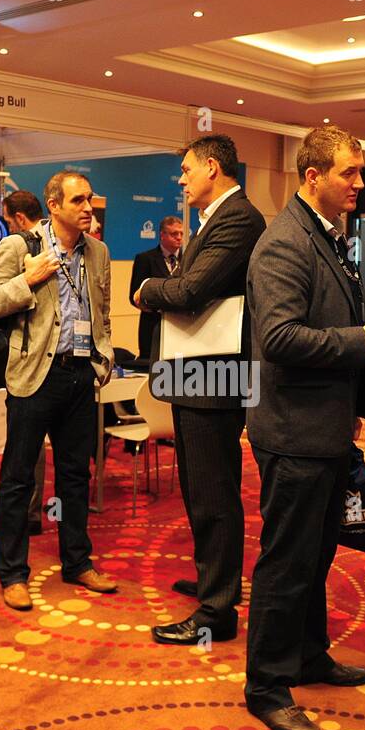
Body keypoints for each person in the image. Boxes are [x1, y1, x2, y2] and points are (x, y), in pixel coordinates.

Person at [244, 125, 365, 730]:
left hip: (324, 425)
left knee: (316, 555)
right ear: (312, 177)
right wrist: (360, 340)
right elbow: (281, 340)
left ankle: (308, 655)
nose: (360, 184)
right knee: (287, 562)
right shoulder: (284, 242)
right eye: (350, 173)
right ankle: (265, 685)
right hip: (291, 432)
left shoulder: (326, 236)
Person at [131, 134, 266, 645]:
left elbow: (189, 291)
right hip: (196, 374)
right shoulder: (215, 220)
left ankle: (217, 611)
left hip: (214, 377)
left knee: (213, 494)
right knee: (198, 488)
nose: (181, 178)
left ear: (213, 167)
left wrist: (145, 290)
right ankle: (215, 582)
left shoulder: (239, 218)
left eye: (187, 169)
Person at [0, 170, 117, 612]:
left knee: (76, 476)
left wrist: (102, 357)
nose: (88, 208)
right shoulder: (20, 247)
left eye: (89, 199)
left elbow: (101, 309)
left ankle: (77, 561)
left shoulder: (99, 251)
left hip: (79, 377)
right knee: (18, 479)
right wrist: (27, 281)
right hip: (34, 376)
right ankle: (13, 573)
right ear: (53, 206)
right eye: (78, 201)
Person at [0, 190, 48, 536]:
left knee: (23, 451)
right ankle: (31, 514)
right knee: (32, 450)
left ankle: (24, 516)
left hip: (31, 365)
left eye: (8, 219)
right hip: (42, 366)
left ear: (19, 218)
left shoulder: (16, 245)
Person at [129, 216, 184, 360]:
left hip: (182, 328)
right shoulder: (145, 259)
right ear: (162, 235)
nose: (179, 238)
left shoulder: (189, 259)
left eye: (181, 234)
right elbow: (134, 296)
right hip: (152, 328)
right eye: (174, 234)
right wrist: (161, 306)